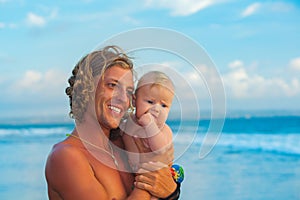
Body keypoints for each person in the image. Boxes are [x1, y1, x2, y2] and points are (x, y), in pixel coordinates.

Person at [45, 46, 179, 200]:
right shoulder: (66, 157)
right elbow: (157, 176)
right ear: (86, 88)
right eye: (112, 85)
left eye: (129, 92)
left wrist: (172, 192)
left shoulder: (125, 144)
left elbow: (165, 183)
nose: (123, 99)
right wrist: (153, 172)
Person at [121, 71, 175, 200]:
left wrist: (150, 126)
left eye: (164, 105)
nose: (156, 109)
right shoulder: (128, 122)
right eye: (150, 102)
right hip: (135, 175)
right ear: (134, 101)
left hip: (156, 178)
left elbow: (160, 150)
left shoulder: (162, 129)